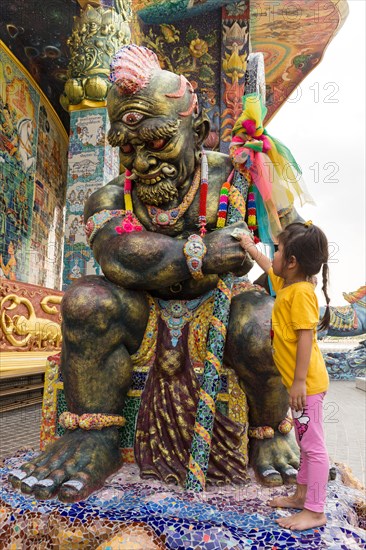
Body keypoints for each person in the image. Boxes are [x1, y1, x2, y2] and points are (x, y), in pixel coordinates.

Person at [9, 45, 300, 503]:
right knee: (86, 301)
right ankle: (93, 438)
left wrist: (274, 268)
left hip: (218, 308)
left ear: (198, 131)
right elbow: (119, 256)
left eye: (159, 141)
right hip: (143, 310)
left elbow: (294, 246)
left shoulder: (236, 176)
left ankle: (269, 429)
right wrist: (198, 254)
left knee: (264, 322)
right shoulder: (109, 197)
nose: (142, 163)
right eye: (128, 148)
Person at [239, 221, 330, 531]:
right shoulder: (289, 286)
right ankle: (301, 496)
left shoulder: (302, 294)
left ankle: (315, 510)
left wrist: (300, 382)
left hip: (308, 386)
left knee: (313, 447)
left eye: (277, 250)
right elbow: (270, 268)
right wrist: (251, 250)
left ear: (292, 262)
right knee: (305, 443)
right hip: (300, 385)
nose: (273, 256)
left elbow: (306, 335)